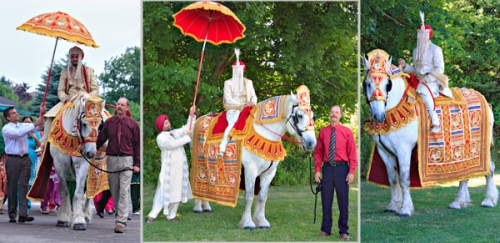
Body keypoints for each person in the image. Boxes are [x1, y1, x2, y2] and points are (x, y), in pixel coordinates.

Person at [398, 12, 452, 133]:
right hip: (417, 79)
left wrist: (426, 79)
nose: (421, 37)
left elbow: (440, 69)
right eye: (419, 34)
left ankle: (435, 122)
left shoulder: (436, 49)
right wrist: (405, 66)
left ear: (428, 36)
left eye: (423, 34)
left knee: (423, 92)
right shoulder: (415, 50)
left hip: (431, 80)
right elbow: (415, 70)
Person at [38, 46, 99, 152]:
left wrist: (88, 98)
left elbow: (95, 90)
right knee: (49, 116)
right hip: (69, 101)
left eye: (76, 57)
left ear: (81, 58)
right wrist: (65, 98)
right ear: (70, 58)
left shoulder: (89, 71)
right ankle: (43, 144)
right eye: (72, 57)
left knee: (103, 117)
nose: (74, 59)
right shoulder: (65, 72)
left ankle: (103, 145)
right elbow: (60, 90)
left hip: (85, 101)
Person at [96, 97, 140, 233]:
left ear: (127, 108)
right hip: (112, 159)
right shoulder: (109, 123)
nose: (119, 106)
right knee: (114, 191)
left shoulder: (133, 125)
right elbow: (101, 139)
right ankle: (119, 218)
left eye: (122, 105)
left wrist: (137, 164)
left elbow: (137, 145)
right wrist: (90, 149)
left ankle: (121, 222)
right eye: (118, 104)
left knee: (124, 192)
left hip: (127, 160)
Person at [146, 105, 196, 223]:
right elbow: (172, 144)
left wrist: (191, 114)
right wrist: (187, 138)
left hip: (179, 169)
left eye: (168, 122)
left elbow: (186, 128)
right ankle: (152, 215)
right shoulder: (161, 138)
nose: (168, 124)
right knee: (162, 192)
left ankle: (171, 215)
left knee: (177, 191)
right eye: (166, 123)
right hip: (168, 170)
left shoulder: (173, 133)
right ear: (161, 126)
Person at [314, 105, 357, 241]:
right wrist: (317, 170)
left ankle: (343, 230)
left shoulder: (347, 132)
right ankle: (326, 229)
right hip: (327, 169)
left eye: (336, 112)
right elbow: (318, 153)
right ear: (329, 114)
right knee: (326, 200)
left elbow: (352, 153)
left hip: (342, 169)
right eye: (332, 112)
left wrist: (351, 172)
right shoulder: (323, 132)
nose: (334, 114)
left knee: (343, 201)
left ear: (340, 115)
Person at [2, 106, 45, 223]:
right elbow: (18, 134)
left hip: (25, 159)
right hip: (12, 160)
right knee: (12, 187)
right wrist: (33, 124)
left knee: (24, 186)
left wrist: (42, 113)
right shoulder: (7, 128)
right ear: (8, 117)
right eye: (13, 113)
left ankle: (23, 214)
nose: (16, 114)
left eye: (16, 112)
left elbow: (38, 127)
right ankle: (12, 214)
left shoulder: (23, 125)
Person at [218, 53, 257, 157]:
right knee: (231, 125)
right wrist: (242, 104)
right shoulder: (228, 83)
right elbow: (228, 99)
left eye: (240, 71)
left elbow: (254, 96)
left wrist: (252, 102)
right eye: (236, 71)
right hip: (234, 109)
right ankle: (222, 148)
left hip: (248, 109)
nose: (239, 74)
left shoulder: (249, 82)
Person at [22, 116, 42, 212]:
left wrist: (34, 137)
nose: (28, 124)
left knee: (29, 184)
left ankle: (27, 206)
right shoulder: (21, 133)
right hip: (21, 160)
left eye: (29, 122)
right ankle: (21, 206)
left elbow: (41, 146)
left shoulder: (36, 134)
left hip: (32, 161)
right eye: (25, 122)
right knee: (21, 183)